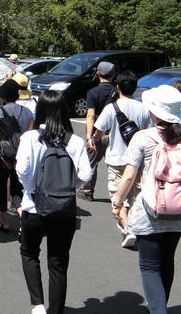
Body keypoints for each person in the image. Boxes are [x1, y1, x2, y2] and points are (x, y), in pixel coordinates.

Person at [112, 85, 181, 314]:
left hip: (149, 211)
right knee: (167, 261)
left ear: (155, 112)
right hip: (180, 210)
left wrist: (117, 201)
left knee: (149, 267)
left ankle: (158, 310)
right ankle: (160, 306)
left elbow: (128, 176)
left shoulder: (143, 137)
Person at [16, 90, 92, 314]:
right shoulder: (75, 141)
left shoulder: (30, 138)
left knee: (29, 253)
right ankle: (56, 310)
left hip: (33, 206)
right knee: (58, 262)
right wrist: (68, 187)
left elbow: (22, 169)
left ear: (39, 111)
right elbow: (86, 175)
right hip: (64, 209)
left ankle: (38, 304)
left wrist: (30, 188)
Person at [90, 71, 152, 248]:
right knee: (134, 196)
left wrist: (93, 139)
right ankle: (132, 226)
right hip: (138, 160)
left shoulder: (112, 108)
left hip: (116, 159)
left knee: (117, 196)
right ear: (135, 88)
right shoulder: (144, 108)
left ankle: (127, 228)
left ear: (117, 87)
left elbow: (99, 130)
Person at [0, 79, 35, 232]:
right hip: (22, 155)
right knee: (17, 189)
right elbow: (29, 136)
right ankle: (22, 218)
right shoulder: (28, 112)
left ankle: (5, 223)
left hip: (4, 156)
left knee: (2, 188)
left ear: (3, 97)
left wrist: (1, 155)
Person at [78, 61, 116, 201]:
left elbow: (91, 115)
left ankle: (87, 191)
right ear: (113, 75)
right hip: (114, 133)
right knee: (116, 164)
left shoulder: (93, 92)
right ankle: (119, 193)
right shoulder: (117, 92)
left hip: (97, 133)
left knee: (91, 162)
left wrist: (89, 136)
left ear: (98, 73)